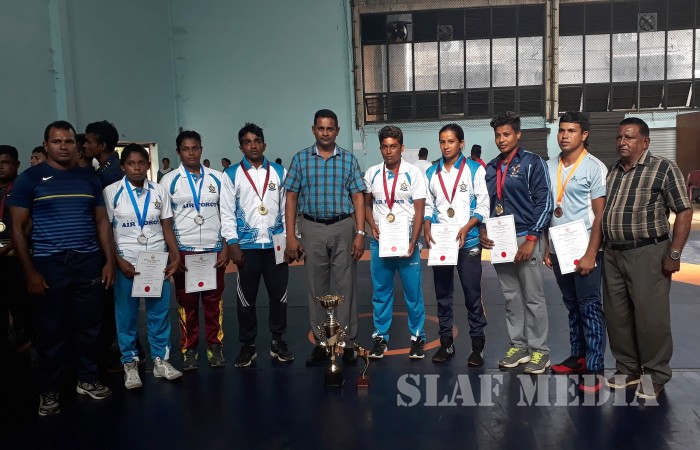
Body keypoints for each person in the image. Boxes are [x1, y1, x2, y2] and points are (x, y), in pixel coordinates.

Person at [9, 121, 115, 416]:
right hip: (50, 264)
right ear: (46, 145)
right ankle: (49, 389)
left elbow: (102, 222)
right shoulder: (30, 179)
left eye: (69, 141)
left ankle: (87, 379)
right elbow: (17, 228)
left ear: (76, 145)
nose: (64, 146)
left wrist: (108, 261)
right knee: (51, 330)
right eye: (57, 142)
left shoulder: (89, 178)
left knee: (89, 327)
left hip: (87, 261)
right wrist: (30, 272)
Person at [602, 117, 692, 400]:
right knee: (617, 316)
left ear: (645, 142)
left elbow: (684, 211)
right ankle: (627, 369)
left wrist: (674, 253)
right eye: (619, 137)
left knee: (650, 317)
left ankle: (655, 374)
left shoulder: (663, 168)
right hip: (613, 253)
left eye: (629, 137)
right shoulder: (613, 171)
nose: (622, 142)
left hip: (648, 252)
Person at [283, 109, 366, 366]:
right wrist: (291, 236)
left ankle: (346, 341)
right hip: (312, 228)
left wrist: (360, 233)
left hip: (343, 226)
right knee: (316, 287)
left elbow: (358, 197)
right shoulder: (301, 159)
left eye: (330, 129)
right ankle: (322, 341)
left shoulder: (349, 160)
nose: (325, 133)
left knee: (345, 286)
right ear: (313, 130)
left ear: (337, 131)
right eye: (321, 128)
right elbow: (291, 198)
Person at [479, 111, 553, 374]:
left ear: (518, 135)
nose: (501, 140)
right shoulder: (490, 168)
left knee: (533, 296)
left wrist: (532, 239)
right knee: (511, 297)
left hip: (525, 236)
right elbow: (486, 204)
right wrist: (483, 228)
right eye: (498, 135)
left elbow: (545, 202)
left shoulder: (533, 162)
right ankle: (518, 346)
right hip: (500, 239)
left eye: (507, 134)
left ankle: (540, 351)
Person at [103, 144, 182, 389]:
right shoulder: (111, 192)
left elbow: (167, 226)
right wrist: (118, 260)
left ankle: (160, 360)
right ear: (122, 166)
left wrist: (175, 256)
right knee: (126, 315)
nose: (136, 168)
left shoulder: (159, 191)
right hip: (127, 262)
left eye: (141, 163)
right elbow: (106, 230)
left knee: (159, 313)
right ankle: (130, 363)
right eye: (131, 163)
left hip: (155, 262)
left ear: (148, 165)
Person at [543, 112, 607, 393]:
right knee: (572, 305)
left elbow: (600, 215)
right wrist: (547, 246)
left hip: (585, 250)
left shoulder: (594, 167)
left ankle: (595, 368)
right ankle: (578, 356)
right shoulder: (549, 166)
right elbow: (549, 210)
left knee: (589, 307)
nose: (565, 135)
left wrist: (591, 254)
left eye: (571, 130)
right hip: (559, 248)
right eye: (562, 130)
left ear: (584, 135)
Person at [221, 123, 293, 367]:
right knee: (246, 299)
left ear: (264, 144)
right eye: (247, 142)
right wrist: (232, 242)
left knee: (279, 296)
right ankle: (248, 344)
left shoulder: (280, 172)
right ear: (241, 147)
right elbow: (226, 212)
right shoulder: (231, 174)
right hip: (247, 246)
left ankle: (278, 340)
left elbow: (287, 209)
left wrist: (290, 238)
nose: (253, 145)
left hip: (276, 245)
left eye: (257, 141)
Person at [160, 130, 229, 370]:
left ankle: (214, 346)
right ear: (179, 152)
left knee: (213, 302)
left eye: (195, 148)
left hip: (213, 250)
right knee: (187, 303)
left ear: (201, 149)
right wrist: (174, 254)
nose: (191, 153)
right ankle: (189, 349)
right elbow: (166, 221)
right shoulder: (168, 181)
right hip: (184, 251)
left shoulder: (218, 178)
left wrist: (225, 247)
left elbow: (227, 215)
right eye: (186, 149)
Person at [424, 124, 490, 365]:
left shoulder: (474, 170)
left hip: (468, 241)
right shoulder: (431, 172)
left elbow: (483, 205)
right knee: (443, 295)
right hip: (441, 242)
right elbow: (429, 205)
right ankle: (446, 344)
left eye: (451, 141)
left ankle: (477, 347)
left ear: (461, 143)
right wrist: (427, 224)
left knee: (472, 295)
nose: (446, 146)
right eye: (442, 141)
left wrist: (467, 226)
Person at [363, 126, 427, 359]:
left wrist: (413, 240)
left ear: (401, 147)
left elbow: (419, 211)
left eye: (393, 146)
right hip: (380, 241)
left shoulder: (413, 173)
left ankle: (417, 337)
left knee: (413, 293)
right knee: (381, 292)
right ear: (380, 148)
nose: (389, 151)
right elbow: (365, 204)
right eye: (384, 147)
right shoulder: (372, 173)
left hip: (407, 241)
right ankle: (380, 338)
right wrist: (373, 225)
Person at [1, 145, 32, 358]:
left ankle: (23, 345)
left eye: (5, 162)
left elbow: (30, 222)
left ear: (17, 164)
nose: (1, 167)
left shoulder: (23, 187)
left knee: (20, 304)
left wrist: (11, 246)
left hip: (17, 257)